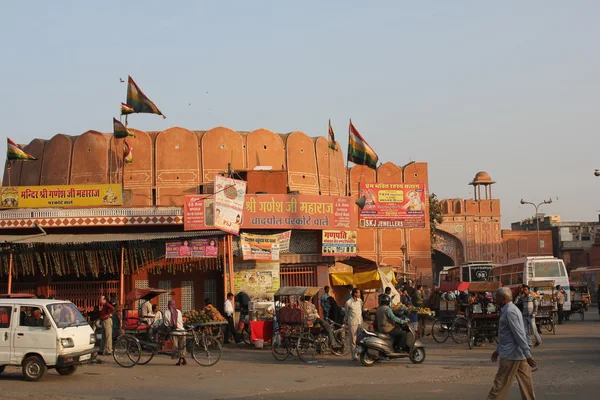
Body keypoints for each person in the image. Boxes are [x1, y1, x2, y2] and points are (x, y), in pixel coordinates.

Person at [488, 287, 537, 400]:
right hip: (517, 354)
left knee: (499, 386)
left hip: (511, 355)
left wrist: (528, 355)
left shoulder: (510, 312)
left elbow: (519, 334)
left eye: (497, 297)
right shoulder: (509, 310)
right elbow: (506, 335)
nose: (495, 299)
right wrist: (498, 350)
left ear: (503, 299)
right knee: (527, 387)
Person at [163, 299, 186, 366]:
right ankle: (183, 360)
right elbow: (181, 321)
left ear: (168, 305)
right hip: (182, 331)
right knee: (182, 346)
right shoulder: (179, 311)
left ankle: (180, 361)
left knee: (176, 347)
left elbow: (166, 324)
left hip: (174, 332)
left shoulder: (166, 312)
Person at [344, 288, 364, 361]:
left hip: (360, 322)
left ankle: (361, 353)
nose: (359, 294)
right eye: (358, 293)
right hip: (352, 323)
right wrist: (345, 321)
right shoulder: (348, 303)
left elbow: (361, 311)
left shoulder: (360, 301)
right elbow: (346, 313)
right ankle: (354, 356)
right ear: (355, 294)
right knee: (353, 340)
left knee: (361, 339)